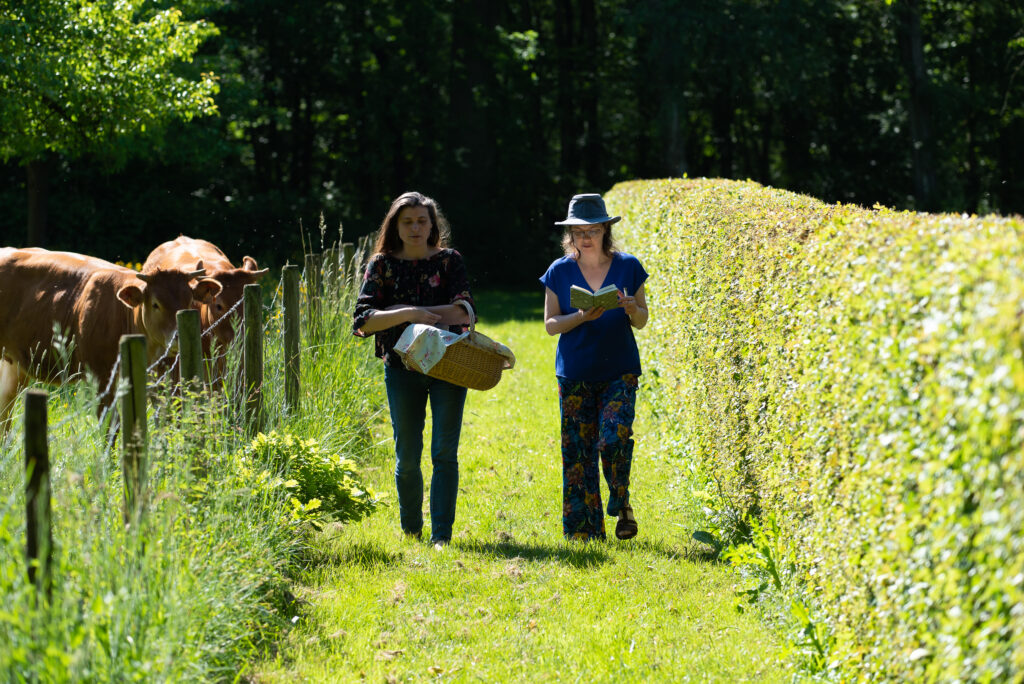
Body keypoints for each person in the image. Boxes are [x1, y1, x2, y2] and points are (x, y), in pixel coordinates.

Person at [352, 191, 474, 548]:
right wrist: (409, 313)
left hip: (449, 366)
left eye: (422, 220)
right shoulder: (382, 265)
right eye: (408, 221)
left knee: (443, 453)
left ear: (433, 224)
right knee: (407, 456)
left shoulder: (450, 261)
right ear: (396, 226)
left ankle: (441, 536)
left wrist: (401, 314)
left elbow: (465, 312)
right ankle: (411, 530)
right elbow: (363, 321)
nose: (416, 227)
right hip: (401, 369)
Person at [539, 193, 649, 541]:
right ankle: (584, 534)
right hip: (575, 372)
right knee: (577, 455)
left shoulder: (629, 266)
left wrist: (631, 307)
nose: (586, 237)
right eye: (579, 231)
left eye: (594, 230)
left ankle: (622, 500)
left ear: (606, 231)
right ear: (570, 234)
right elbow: (550, 324)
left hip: (620, 369)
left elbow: (642, 320)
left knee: (614, 437)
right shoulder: (559, 271)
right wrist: (580, 317)